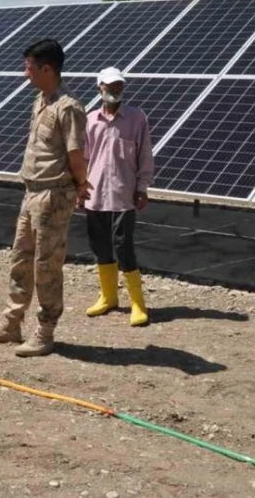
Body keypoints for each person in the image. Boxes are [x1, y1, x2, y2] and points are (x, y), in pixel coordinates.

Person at [0, 38, 90, 357]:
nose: (25, 73)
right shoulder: (41, 101)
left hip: (54, 195)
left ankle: (45, 331)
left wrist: (81, 184)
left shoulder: (69, 107)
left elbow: (76, 153)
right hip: (32, 192)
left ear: (47, 68)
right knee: (20, 260)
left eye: (29, 67)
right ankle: (12, 323)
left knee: (46, 266)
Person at [82, 67, 153, 326]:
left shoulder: (136, 118)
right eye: (110, 86)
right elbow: (85, 158)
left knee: (124, 246)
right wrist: (80, 186)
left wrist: (143, 187)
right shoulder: (90, 120)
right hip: (95, 193)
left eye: (119, 86)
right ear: (99, 87)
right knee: (100, 245)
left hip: (124, 193)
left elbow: (144, 155)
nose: (114, 91)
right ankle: (108, 297)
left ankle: (138, 303)